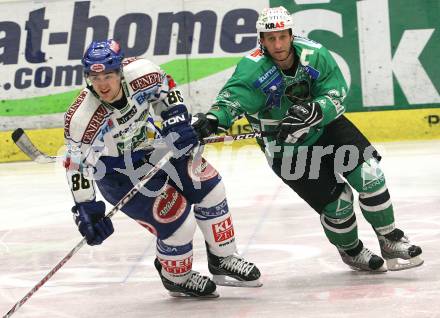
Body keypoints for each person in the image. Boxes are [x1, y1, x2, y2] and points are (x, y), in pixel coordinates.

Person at [192, 6, 423, 272]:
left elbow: (336, 92)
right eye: (270, 38)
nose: (277, 45)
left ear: (291, 35)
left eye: (282, 36)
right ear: (262, 40)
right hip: (285, 148)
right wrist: (213, 119)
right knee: (339, 206)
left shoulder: (315, 54)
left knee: (371, 175)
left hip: (326, 128)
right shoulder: (252, 69)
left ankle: (391, 239)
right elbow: (231, 101)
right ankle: (352, 251)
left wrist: (316, 109)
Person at [63, 39, 261, 298]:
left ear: (120, 72)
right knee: (180, 223)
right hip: (118, 174)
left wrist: (176, 121)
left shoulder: (143, 73)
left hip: (156, 146)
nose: (102, 84)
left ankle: (223, 259)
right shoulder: (82, 118)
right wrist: (87, 210)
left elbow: (166, 90)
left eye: (108, 76)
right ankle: (176, 277)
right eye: (94, 77)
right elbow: (77, 167)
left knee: (211, 188)